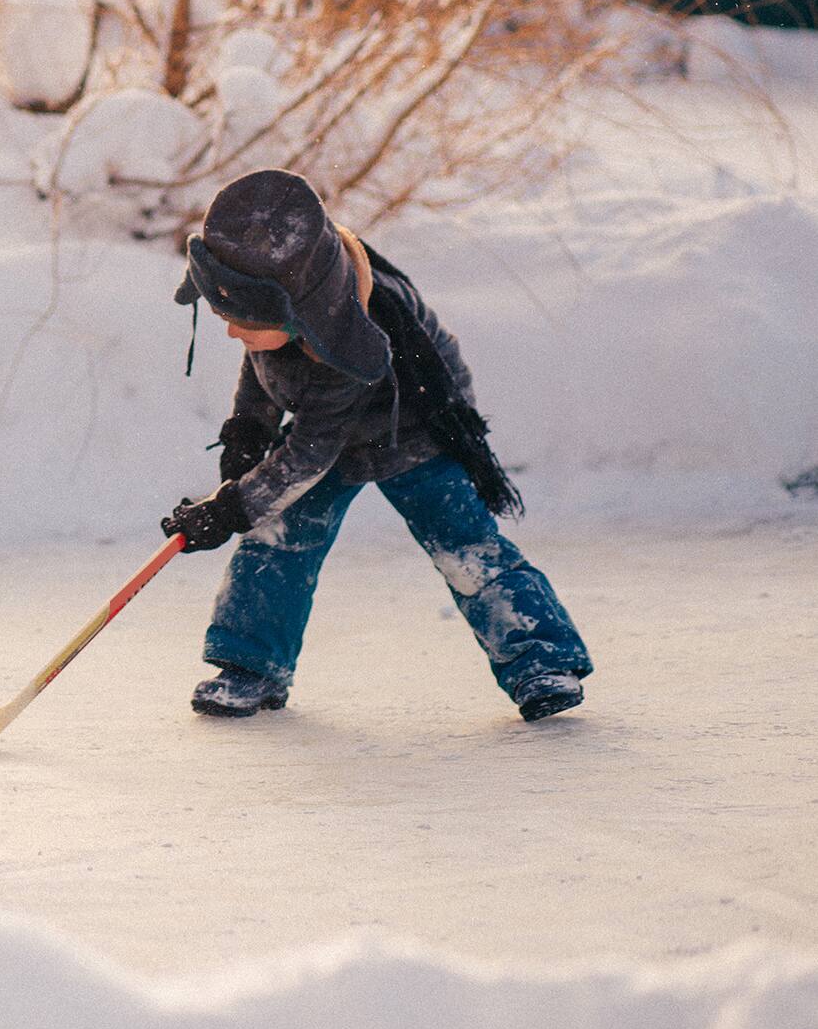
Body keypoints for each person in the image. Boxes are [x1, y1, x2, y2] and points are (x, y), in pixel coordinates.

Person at [162, 169, 592, 722]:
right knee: (278, 541)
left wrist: (231, 508)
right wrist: (247, 435)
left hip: (413, 431)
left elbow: (311, 454)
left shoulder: (353, 336)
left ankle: (542, 660)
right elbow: (262, 366)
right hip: (329, 428)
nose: (229, 332)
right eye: (223, 315)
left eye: (239, 319)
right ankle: (251, 667)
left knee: (465, 549)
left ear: (298, 314)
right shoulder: (289, 307)